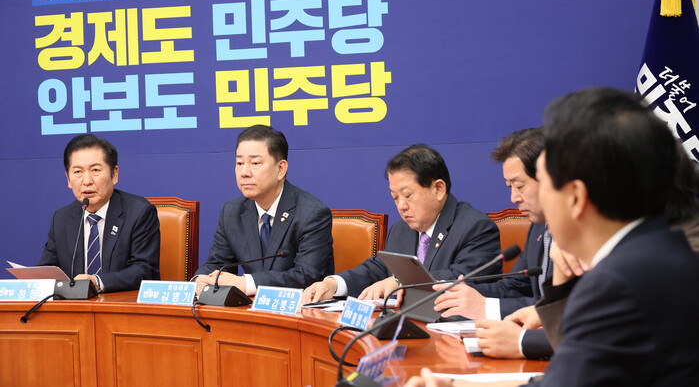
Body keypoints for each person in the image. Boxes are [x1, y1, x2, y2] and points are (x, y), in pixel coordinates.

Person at [406, 87, 699, 387]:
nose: (519, 198)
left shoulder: (620, 282)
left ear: (576, 197)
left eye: (544, 183)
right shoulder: (661, 251)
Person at [302, 143, 500, 305]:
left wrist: (401, 281)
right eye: (395, 197)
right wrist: (334, 284)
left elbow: (463, 279)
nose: (401, 206)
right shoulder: (401, 229)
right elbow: (380, 268)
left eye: (408, 195)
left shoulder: (476, 228)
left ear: (438, 189)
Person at [432, 128, 562, 360]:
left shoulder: (584, 235)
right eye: (509, 187)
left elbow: (562, 308)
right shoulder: (538, 226)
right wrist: (463, 294)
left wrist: (486, 307)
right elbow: (514, 287)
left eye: (520, 186)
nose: (513, 198)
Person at [194, 125, 333, 296]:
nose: (244, 172)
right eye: (239, 163)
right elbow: (217, 264)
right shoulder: (232, 211)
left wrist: (245, 283)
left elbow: (306, 276)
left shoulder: (312, 213)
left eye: (255, 163)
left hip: (300, 308)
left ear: (281, 169)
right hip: (250, 308)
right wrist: (200, 279)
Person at [38, 134, 160, 293]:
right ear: (68, 179)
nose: (87, 181)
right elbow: (47, 269)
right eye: (78, 172)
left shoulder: (139, 212)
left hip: (122, 304)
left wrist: (97, 281)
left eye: (95, 170)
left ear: (114, 174)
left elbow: (144, 270)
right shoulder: (61, 218)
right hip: (75, 306)